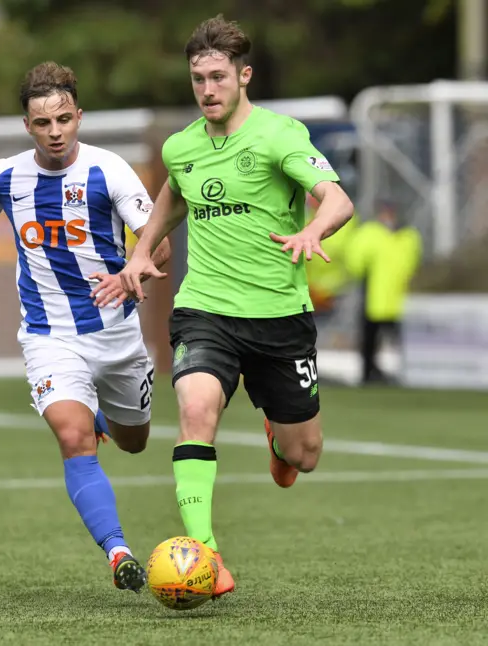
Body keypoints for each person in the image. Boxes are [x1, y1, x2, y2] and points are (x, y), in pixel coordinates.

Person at [118, 16, 354, 598]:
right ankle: (208, 555)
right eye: (198, 78)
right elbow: (174, 195)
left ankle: (278, 437)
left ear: (244, 76)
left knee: (307, 455)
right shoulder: (183, 147)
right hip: (206, 308)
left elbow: (338, 199)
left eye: (218, 76)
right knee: (196, 408)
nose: (207, 89)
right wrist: (141, 251)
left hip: (280, 315)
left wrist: (313, 231)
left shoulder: (280, 136)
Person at [0, 61, 170, 593]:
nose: (55, 132)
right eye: (43, 123)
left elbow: (158, 243)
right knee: (75, 438)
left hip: (117, 335)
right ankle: (118, 551)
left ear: (79, 115)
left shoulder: (110, 171)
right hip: (48, 335)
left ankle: (103, 410)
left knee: (134, 442)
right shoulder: (4, 176)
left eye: (64, 119)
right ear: (27, 125)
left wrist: (129, 271)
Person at [345, 200, 422, 384]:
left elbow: (414, 263)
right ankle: (368, 373)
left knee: (400, 340)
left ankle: (403, 374)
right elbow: (355, 260)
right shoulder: (370, 233)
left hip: (401, 296)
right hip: (375, 294)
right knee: (370, 337)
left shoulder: (408, 236)